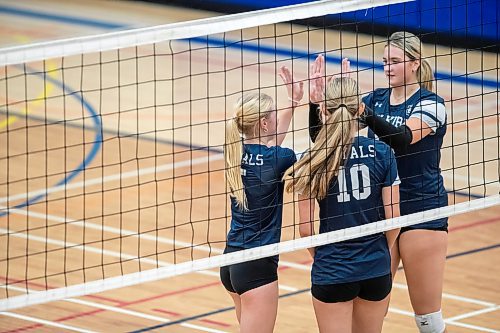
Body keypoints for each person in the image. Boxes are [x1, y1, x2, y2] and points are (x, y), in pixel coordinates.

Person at [311, 31, 449, 333]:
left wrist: (365, 112)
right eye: (385, 61)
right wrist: (317, 104)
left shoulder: (431, 104)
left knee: (427, 317)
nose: (388, 67)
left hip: (421, 211)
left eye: (395, 61)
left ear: (414, 64)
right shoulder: (374, 99)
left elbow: (401, 139)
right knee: (373, 310)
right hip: (382, 214)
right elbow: (329, 141)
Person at [285, 74, 401, 333]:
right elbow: (395, 221)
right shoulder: (383, 152)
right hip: (375, 269)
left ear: (323, 111)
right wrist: (379, 252)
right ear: (360, 109)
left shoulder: (312, 158)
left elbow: (305, 230)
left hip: (332, 270)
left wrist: (325, 258)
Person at [220, 65, 304, 333]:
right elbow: (273, 151)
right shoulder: (279, 158)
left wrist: (292, 104)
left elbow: (269, 149)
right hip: (257, 267)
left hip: (231, 261)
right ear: (265, 123)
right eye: (272, 115)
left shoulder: (235, 151)